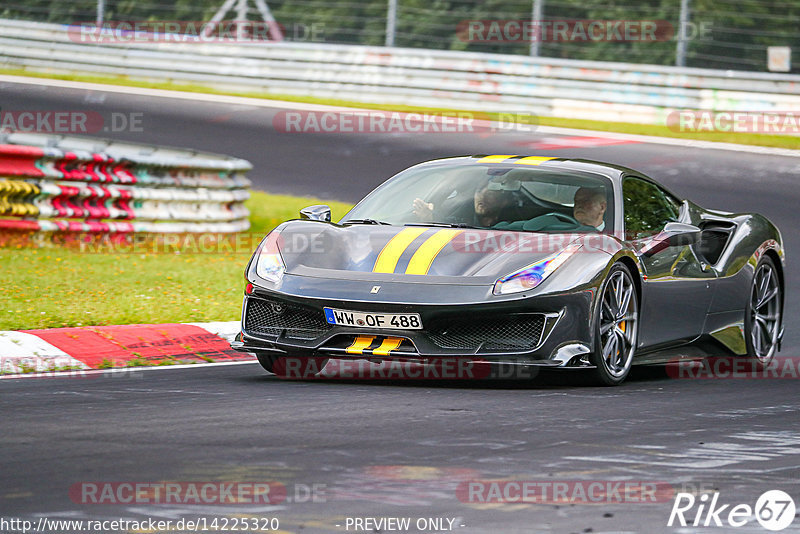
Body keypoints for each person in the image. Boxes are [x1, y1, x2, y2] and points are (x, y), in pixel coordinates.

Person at [412, 183, 516, 227]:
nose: (482, 197)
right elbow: (448, 224)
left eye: (490, 194)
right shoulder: (461, 221)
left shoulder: (516, 225)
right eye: (479, 192)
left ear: (504, 202)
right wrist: (430, 217)